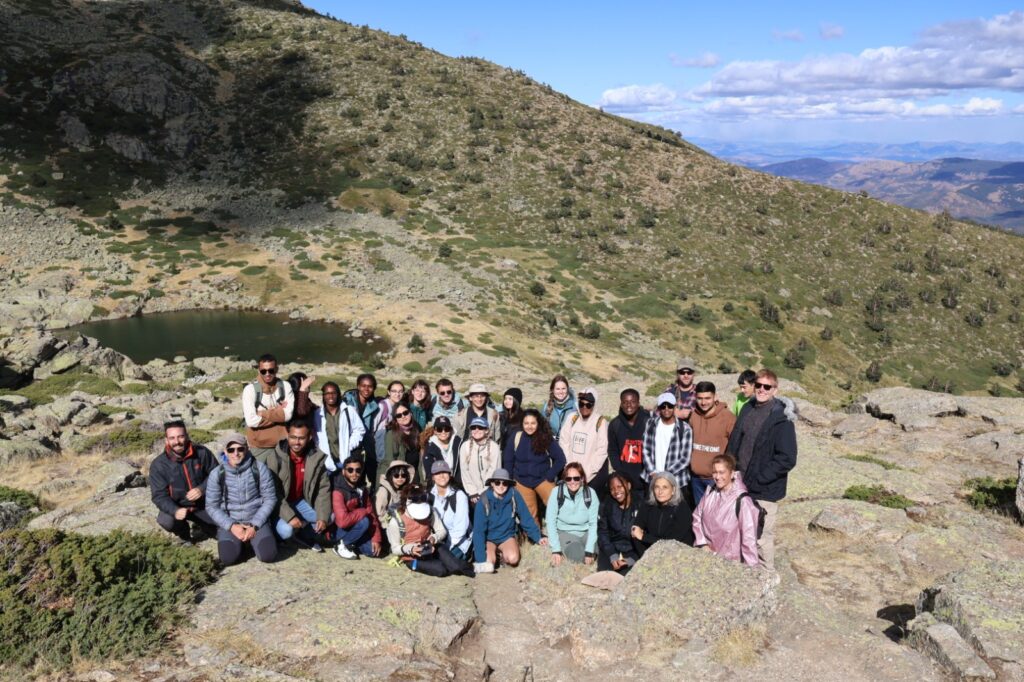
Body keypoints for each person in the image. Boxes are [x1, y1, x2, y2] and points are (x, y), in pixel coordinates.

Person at [725, 369, 797, 569]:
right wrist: (728, 468)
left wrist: (760, 478)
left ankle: (767, 578)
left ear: (775, 390)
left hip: (764, 489)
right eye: (758, 385)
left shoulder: (782, 418)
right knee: (739, 533)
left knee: (761, 539)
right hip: (740, 484)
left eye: (767, 386)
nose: (762, 389)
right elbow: (735, 441)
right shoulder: (748, 408)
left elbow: (787, 458)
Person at [205, 433, 278, 566]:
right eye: (231, 450)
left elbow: (270, 499)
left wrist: (255, 525)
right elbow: (211, 506)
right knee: (228, 558)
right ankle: (243, 543)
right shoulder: (217, 474)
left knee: (268, 555)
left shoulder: (259, 468)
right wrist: (232, 526)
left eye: (240, 449)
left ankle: (253, 540)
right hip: (231, 521)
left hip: (256, 520)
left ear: (247, 449)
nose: (236, 453)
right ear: (225, 451)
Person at [261, 420, 331, 550]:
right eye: (293, 437)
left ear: (309, 437)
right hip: (279, 505)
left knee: (329, 517)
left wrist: (322, 518)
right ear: (287, 435)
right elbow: (272, 493)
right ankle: (276, 531)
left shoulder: (316, 458)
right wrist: (290, 517)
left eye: (301, 438)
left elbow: (323, 489)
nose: (297, 442)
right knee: (286, 531)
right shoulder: (274, 458)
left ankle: (303, 533)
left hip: (299, 502)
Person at [149, 419, 218, 543]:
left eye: (180, 436)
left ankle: (205, 527)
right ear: (166, 440)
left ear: (186, 436)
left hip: (204, 505)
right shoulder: (158, 465)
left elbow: (217, 474)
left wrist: (202, 489)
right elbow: (159, 496)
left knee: (223, 532)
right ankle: (185, 535)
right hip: (179, 507)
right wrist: (174, 510)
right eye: (172, 438)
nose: (177, 442)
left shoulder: (202, 453)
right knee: (166, 520)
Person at [386, 485, 473, 577]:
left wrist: (434, 538)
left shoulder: (430, 511)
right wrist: (411, 549)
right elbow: (395, 548)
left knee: (455, 566)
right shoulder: (396, 521)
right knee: (441, 570)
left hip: (432, 547)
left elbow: (442, 530)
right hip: (411, 558)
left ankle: (472, 568)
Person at [472, 469, 547, 573]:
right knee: (488, 564)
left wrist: (538, 537)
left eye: (505, 483)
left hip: (506, 536)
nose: (501, 486)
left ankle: (501, 554)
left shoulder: (514, 495)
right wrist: (481, 560)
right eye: (497, 482)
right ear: (492, 484)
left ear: (508, 484)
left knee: (513, 559)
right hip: (488, 539)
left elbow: (526, 518)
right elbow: (478, 532)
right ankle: (493, 555)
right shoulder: (483, 501)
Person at [692, 454, 760, 566]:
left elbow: (749, 540)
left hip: (730, 563)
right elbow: (697, 516)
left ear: (732, 473)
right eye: (715, 472)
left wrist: (752, 571)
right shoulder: (710, 492)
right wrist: (702, 543)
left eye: (722, 472)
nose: (717, 477)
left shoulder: (743, 502)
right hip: (707, 555)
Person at [505, 408, 566, 527]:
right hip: (521, 481)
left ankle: (562, 529)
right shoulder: (516, 437)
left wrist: (550, 475)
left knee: (557, 505)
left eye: (533, 423)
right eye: (526, 423)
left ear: (538, 423)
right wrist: (511, 480)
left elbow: (560, 459)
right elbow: (508, 460)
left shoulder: (546, 437)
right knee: (529, 514)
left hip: (542, 479)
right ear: (522, 424)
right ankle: (535, 534)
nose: (529, 426)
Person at [689, 381, 736, 508]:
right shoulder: (694, 415)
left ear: (715, 397)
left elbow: (735, 446)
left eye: (707, 398)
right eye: (700, 398)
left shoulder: (728, 418)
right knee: (700, 514)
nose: (703, 402)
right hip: (696, 478)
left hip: (717, 479)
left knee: (718, 515)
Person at [558, 387, 610, 498]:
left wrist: (585, 475)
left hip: (591, 476)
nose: (584, 407)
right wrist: (571, 471)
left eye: (588, 405)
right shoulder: (572, 418)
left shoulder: (600, 422)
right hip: (570, 474)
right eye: (581, 404)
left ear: (594, 405)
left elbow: (601, 451)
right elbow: (564, 442)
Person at [241, 354, 295, 461]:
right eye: (263, 371)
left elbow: (288, 416)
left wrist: (262, 413)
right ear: (258, 370)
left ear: (277, 369)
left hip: (283, 444)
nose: (267, 374)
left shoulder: (285, 386)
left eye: (271, 370)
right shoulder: (250, 390)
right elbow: (251, 421)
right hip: (259, 447)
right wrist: (279, 413)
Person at [546, 462, 599, 566]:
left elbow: (594, 523)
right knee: (578, 556)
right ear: (564, 480)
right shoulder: (556, 493)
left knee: (595, 552)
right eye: (568, 478)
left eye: (576, 478)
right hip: (565, 532)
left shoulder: (590, 493)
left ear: (582, 479)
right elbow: (550, 522)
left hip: (586, 531)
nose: (572, 482)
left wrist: (589, 550)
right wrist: (556, 549)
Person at [631, 471, 694, 556]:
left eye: (665, 487)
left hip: (678, 555)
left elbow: (672, 543)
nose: (660, 491)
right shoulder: (648, 505)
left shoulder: (682, 509)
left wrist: (644, 537)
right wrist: (646, 557)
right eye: (657, 487)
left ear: (673, 490)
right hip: (651, 554)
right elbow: (635, 530)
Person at [332, 455, 384, 559]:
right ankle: (341, 545)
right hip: (339, 530)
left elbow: (372, 515)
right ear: (343, 472)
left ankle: (352, 543)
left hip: (356, 527)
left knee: (372, 552)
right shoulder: (338, 491)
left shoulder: (362, 489)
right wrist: (363, 511)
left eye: (358, 470)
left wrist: (376, 539)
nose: (354, 474)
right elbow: (342, 521)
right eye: (350, 470)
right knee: (365, 521)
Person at [642, 392, 693, 493]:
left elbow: (685, 459)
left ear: (675, 407)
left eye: (669, 406)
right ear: (659, 408)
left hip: (676, 481)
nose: (666, 409)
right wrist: (652, 471)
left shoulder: (685, 428)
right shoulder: (650, 424)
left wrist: (665, 475)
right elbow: (645, 450)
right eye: (663, 406)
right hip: (652, 479)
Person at [343, 373, 387, 488]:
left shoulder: (374, 404)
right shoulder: (347, 400)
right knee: (353, 470)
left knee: (371, 466)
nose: (366, 389)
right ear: (358, 386)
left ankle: (371, 490)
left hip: (366, 440)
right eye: (363, 386)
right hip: (350, 440)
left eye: (370, 386)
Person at [312, 381, 365, 473]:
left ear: (338, 394)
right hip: (326, 461)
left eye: (333, 393)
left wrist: (349, 445)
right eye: (327, 393)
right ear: (323, 395)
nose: (330, 396)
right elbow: (316, 435)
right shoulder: (318, 414)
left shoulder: (349, 410)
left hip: (346, 459)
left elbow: (360, 430)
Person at [607, 388, 650, 497]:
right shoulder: (615, 424)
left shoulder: (648, 422)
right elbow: (612, 450)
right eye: (625, 402)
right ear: (621, 404)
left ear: (638, 403)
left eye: (632, 402)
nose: (629, 405)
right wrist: (620, 472)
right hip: (625, 482)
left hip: (646, 481)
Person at [597, 473, 641, 574]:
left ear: (628, 485)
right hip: (612, 549)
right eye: (612, 489)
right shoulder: (606, 506)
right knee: (605, 575)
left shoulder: (640, 505)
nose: (616, 491)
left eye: (619, 486)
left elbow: (646, 536)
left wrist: (632, 559)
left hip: (635, 551)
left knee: (629, 577)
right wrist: (612, 555)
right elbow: (603, 533)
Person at [429, 461, 472, 560]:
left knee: (444, 562)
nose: (442, 476)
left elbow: (461, 527)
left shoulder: (459, 496)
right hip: (438, 539)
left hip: (458, 543)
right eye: (437, 473)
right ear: (433, 477)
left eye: (444, 472)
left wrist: (447, 548)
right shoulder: (429, 495)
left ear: (450, 474)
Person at [459, 415, 502, 506]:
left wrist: (483, 492)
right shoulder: (465, 446)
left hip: (490, 490)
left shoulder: (494, 447)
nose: (476, 430)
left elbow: (494, 470)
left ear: (486, 430)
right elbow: (464, 471)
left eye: (480, 427)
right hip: (471, 493)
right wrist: (472, 492)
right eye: (473, 427)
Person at [380, 401, 421, 481]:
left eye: (405, 413)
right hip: (401, 475)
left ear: (410, 413)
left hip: (416, 473)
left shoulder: (417, 429)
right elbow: (389, 459)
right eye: (399, 415)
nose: (403, 417)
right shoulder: (391, 434)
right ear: (396, 419)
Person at [421, 415, 463, 487]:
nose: (443, 432)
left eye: (446, 429)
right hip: (438, 484)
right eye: (439, 429)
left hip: (457, 484)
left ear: (451, 430)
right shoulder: (429, 447)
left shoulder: (459, 443)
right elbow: (430, 472)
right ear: (435, 431)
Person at [375, 460, 415, 525]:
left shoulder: (404, 489)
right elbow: (379, 514)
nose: (400, 478)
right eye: (396, 475)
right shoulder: (383, 491)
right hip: (387, 525)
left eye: (403, 475)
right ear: (391, 476)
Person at [542, 374, 577, 439]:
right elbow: (542, 429)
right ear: (552, 390)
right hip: (551, 444)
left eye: (563, 388)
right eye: (557, 389)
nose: (561, 392)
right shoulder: (546, 407)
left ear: (567, 389)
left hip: (569, 444)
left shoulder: (575, 407)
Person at [665, 357, 697, 421]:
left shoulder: (699, 392)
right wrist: (674, 413)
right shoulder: (670, 391)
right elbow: (657, 413)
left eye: (689, 372)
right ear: (677, 374)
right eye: (682, 372)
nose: (686, 375)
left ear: (694, 374)